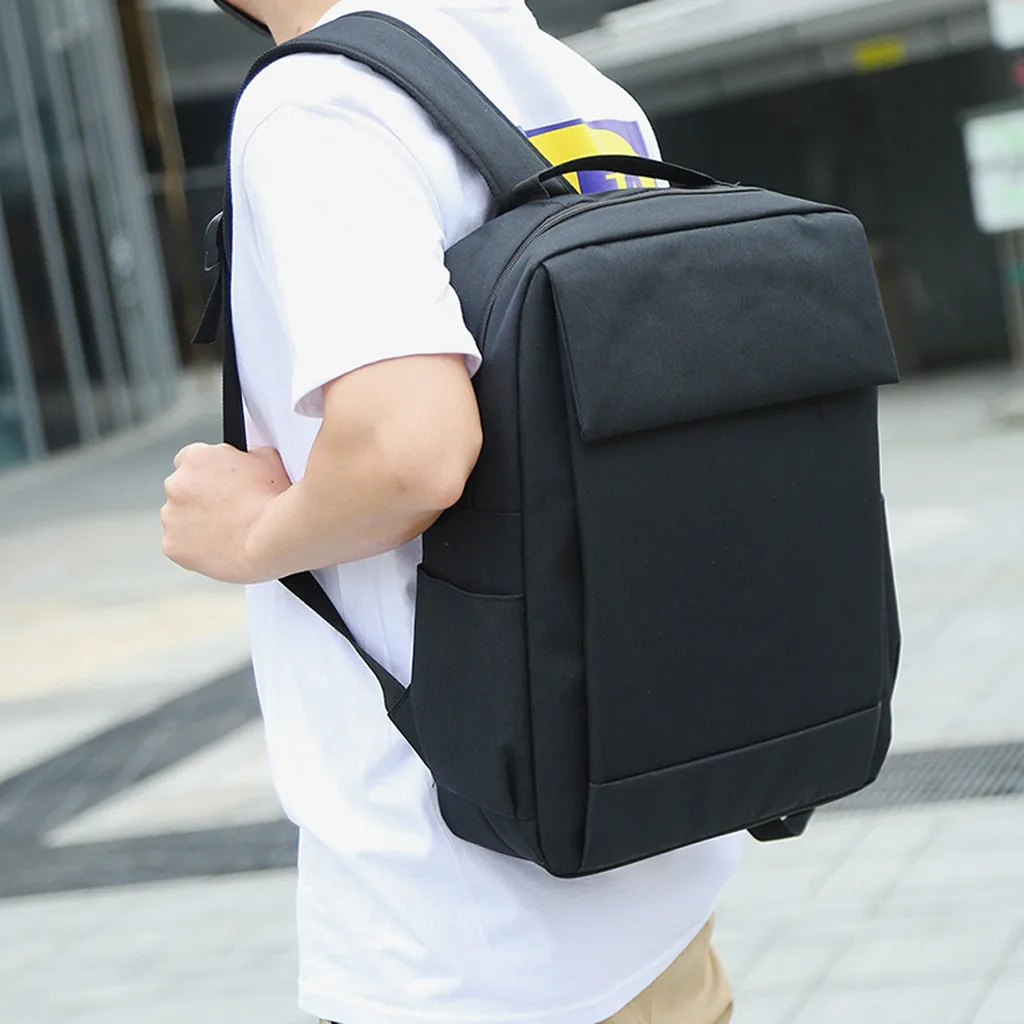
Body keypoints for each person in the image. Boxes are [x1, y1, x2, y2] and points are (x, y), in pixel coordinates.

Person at [160, 2, 742, 1021]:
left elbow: (410, 452)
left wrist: (248, 534)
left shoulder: (319, 101)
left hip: (466, 925)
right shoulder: (565, 79)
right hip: (652, 881)